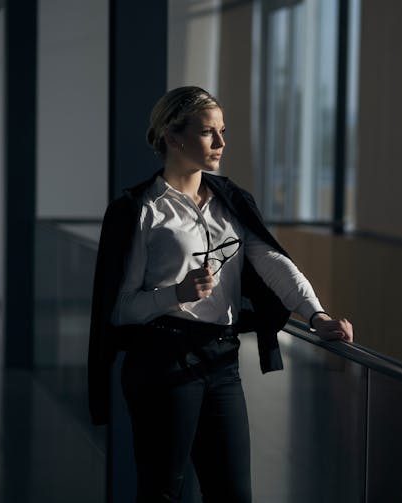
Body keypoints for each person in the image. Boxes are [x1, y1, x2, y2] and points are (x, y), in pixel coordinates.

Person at [87, 86, 353, 502]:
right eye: (209, 132)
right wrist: (176, 293)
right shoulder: (141, 209)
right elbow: (119, 309)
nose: (221, 143)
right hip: (162, 362)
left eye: (223, 131)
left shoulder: (231, 202)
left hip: (222, 362)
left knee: (233, 494)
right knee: (163, 492)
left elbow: (273, 263)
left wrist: (316, 315)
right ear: (173, 138)